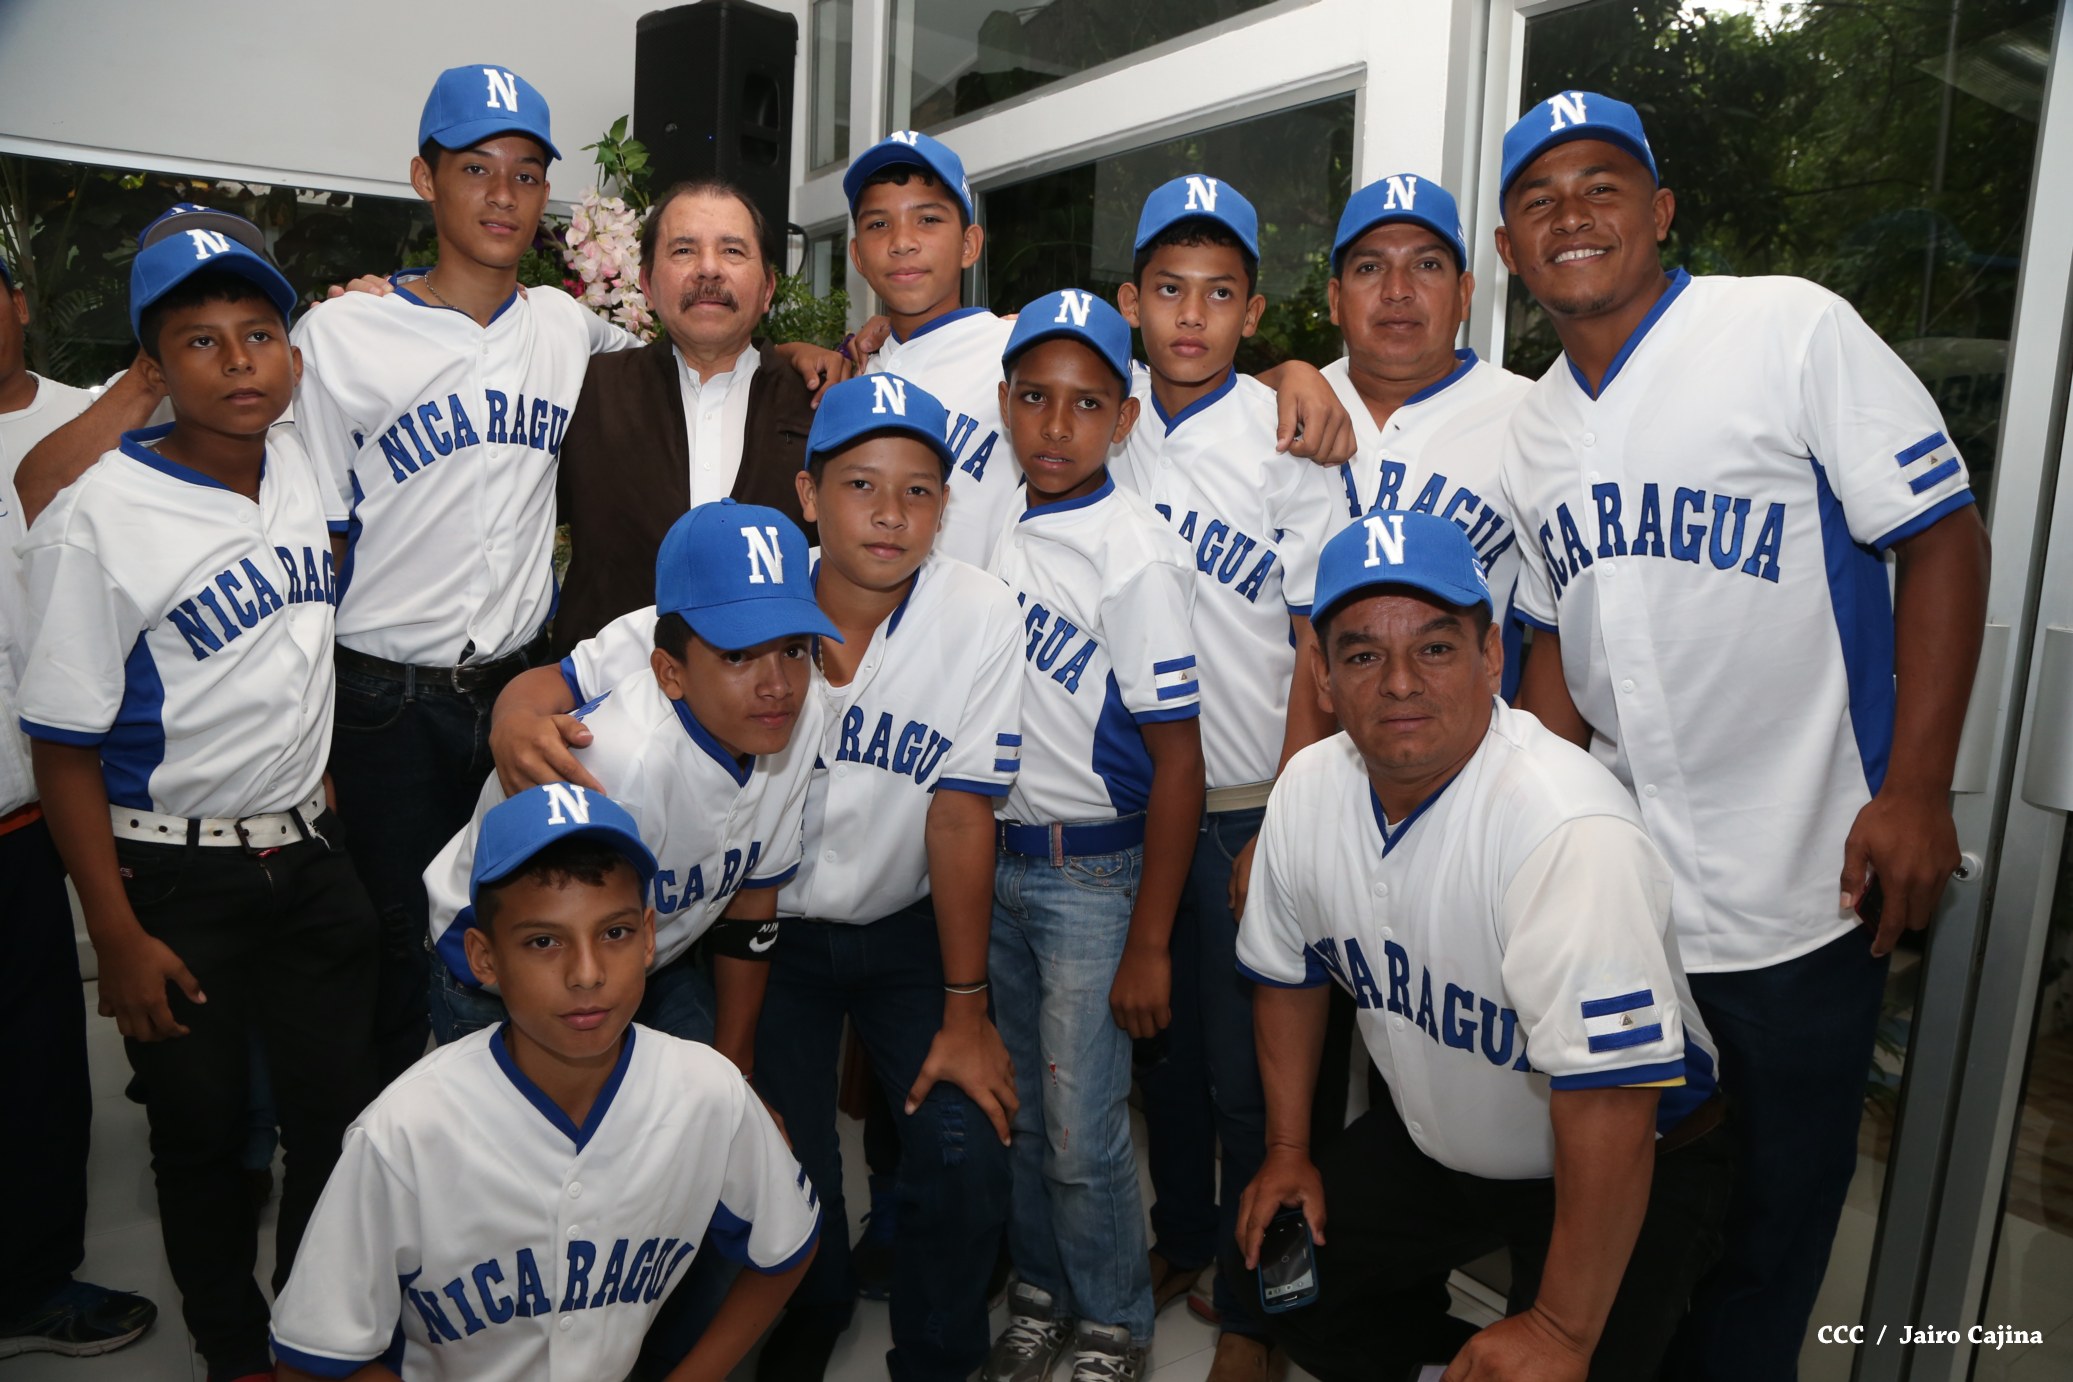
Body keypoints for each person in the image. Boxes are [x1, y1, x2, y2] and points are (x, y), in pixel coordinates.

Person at [1491, 90, 1990, 1377]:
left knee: (1770, 1242)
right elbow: (1554, 645)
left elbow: (1942, 537)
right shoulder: (1531, 426)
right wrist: (1535, 843)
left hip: (1806, 889)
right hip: (1633, 900)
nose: (1571, 213)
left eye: (1602, 185)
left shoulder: (1787, 327)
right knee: (1628, 1229)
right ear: (1509, 249)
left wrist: (1919, 788)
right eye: (1539, 199)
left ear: (1659, 210)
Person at [519, 374, 1023, 1382]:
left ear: (946, 505)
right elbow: (560, 680)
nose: (890, 513)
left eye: (919, 490)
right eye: (860, 484)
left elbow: (961, 812)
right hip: (764, 936)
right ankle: (802, 1323)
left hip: (906, 929)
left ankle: (938, 1356)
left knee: (965, 1141)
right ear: (808, 493)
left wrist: (967, 1007)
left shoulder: (980, 610)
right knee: (780, 1158)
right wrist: (511, 716)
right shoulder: (742, 583)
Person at [1232, 510, 1733, 1382]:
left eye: (1434, 648)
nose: (1399, 683)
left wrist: (1560, 1332)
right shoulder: (1307, 791)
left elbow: (1611, 1098)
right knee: (1286, 1280)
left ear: (1491, 655)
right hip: (1441, 1136)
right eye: (1362, 655)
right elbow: (1288, 973)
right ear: (1320, 677)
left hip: (1628, 1151)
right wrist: (1286, 1150)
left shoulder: (1561, 826)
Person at [18, 217, 379, 1382]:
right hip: (175, 877)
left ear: (292, 355)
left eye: (259, 334)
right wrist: (116, 933)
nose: (237, 362)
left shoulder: (305, 467)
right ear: (155, 368)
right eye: (201, 341)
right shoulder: (98, 517)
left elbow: (297, 650)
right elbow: (61, 746)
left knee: (338, 1123)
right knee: (206, 1137)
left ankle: (318, 1330)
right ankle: (234, 1351)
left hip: (308, 856)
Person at [289, 63, 643, 1083]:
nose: (502, 194)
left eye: (526, 174)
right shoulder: (341, 334)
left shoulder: (566, 326)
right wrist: (307, 730)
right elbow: (313, 549)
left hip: (516, 691)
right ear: (425, 178)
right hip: (383, 704)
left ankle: (503, 1142)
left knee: (517, 935)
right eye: (476, 168)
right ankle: (392, 1157)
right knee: (394, 955)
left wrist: (796, 355)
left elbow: (686, 362)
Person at [270, 783, 820, 1382]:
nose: (586, 974)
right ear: (483, 957)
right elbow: (309, 1360)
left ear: (649, 936)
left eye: (614, 933)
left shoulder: (709, 1092)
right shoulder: (402, 1134)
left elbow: (787, 1244)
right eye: (543, 941)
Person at [1108, 173, 1343, 1382]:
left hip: (1252, 799)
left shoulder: (1286, 432)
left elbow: (1316, 641)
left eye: (1218, 293)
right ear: (1131, 301)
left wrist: (1289, 818)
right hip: (1137, 801)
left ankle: (1257, 1308)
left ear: (1253, 313)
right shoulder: (1104, 414)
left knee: (1255, 1079)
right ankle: (1186, 1237)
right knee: (1166, 1061)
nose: (1190, 315)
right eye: (1168, 289)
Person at [982, 289, 1205, 1382]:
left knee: (1081, 1127)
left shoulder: (1135, 553)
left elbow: (1179, 761)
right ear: (1005, 404)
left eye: (1084, 404)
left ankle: (1113, 1321)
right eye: (1034, 397)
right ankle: (1041, 1293)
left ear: (1123, 419)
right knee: (1024, 1113)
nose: (1055, 425)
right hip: (1002, 861)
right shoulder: (992, 523)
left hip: (1094, 873)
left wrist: (1151, 939)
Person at [422, 501, 830, 1071]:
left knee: (698, 1105)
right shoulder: (617, 765)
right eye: (738, 655)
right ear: (670, 673)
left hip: (650, 954)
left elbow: (754, 892)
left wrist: (736, 1068)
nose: (778, 685)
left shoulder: (801, 718)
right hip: (512, 974)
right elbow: (564, 958)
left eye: (793, 649)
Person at [843, 132, 1360, 573]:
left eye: (928, 220)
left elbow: (1192, 384)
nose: (903, 242)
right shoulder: (854, 373)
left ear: (970, 244)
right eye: (878, 224)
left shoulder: (1017, 345)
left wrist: (1294, 374)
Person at [0, 249, 159, 1360]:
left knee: (40, 1059)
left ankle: (31, 1282)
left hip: (44, 794)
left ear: (18, 300)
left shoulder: (88, 416)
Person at [553, 177, 823, 653]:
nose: (708, 269)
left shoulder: (819, 403)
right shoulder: (584, 392)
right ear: (646, 285)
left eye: (733, 251)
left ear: (767, 289)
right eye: (683, 250)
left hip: (773, 689)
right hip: (602, 691)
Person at [1318, 173, 1533, 699]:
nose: (1397, 290)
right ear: (1335, 299)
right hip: (1294, 736)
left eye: (1427, 265)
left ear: (1464, 294)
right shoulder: (1282, 407)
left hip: (1470, 740)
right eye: (1370, 267)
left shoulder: (1532, 416)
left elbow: (1561, 627)